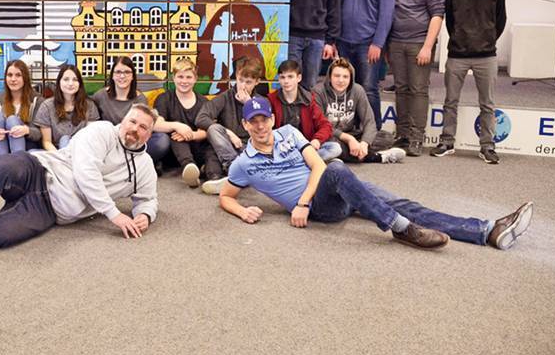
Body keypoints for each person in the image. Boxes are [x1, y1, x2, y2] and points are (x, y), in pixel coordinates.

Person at [216, 96, 534, 251]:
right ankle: (400, 229)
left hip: (325, 190)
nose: (260, 126)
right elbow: (225, 195)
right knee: (338, 169)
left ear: (272, 119)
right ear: (244, 125)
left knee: (404, 204)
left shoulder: (289, 132)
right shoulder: (245, 163)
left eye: (264, 119)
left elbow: (317, 165)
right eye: (253, 121)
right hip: (320, 208)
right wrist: (243, 211)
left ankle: (487, 230)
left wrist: (300, 201)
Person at [0, 105, 160, 260]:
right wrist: (114, 214)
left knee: (0, 236)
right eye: (132, 121)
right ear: (123, 121)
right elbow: (86, 173)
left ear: (150, 134)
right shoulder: (101, 130)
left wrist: (145, 215)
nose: (135, 129)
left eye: (143, 127)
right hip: (39, 168)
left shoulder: (145, 166)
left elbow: (148, 199)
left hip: (51, 209)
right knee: (0, 169)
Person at [433, 0, 507, 164]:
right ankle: (447, 142)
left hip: (486, 55)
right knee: (450, 101)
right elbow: (450, 22)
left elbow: (500, 21)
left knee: (487, 104)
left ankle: (487, 146)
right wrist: (459, 39)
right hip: (458, 54)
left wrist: (487, 39)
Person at [388, 0, 445, 157]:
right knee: (401, 89)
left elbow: (437, 14)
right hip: (396, 42)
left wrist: (427, 46)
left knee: (418, 90)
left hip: (420, 43)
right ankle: (402, 134)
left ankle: (416, 137)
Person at [335, 0, 394, 130]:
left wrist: (378, 43)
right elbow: (335, 10)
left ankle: (373, 130)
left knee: (368, 88)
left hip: (368, 43)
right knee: (346, 87)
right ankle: (351, 129)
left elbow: (386, 13)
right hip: (344, 42)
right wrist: (333, 40)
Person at [313, 58, 406, 164]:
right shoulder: (318, 91)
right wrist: (349, 139)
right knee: (334, 145)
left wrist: (364, 143)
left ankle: (339, 156)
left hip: (351, 133)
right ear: (329, 77)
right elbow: (319, 125)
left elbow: (369, 121)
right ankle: (378, 157)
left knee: (386, 137)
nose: (341, 80)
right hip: (328, 134)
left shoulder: (357, 90)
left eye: (345, 77)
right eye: (337, 76)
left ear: (351, 78)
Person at [195, 56, 263, 194]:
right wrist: (228, 133)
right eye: (240, 80)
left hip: (249, 147)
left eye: (248, 82)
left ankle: (226, 174)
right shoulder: (225, 97)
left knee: (214, 157)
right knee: (213, 130)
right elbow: (201, 118)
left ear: (257, 82)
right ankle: (231, 169)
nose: (243, 86)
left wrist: (248, 104)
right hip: (226, 146)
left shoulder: (261, 102)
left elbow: (262, 129)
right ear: (236, 77)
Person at [153, 58, 223, 188]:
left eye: (188, 77)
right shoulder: (164, 98)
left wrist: (190, 135)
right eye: (180, 77)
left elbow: (208, 130)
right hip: (175, 152)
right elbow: (156, 124)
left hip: (197, 147)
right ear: (174, 78)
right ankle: (190, 168)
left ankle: (214, 177)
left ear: (195, 79)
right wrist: (178, 126)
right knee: (175, 135)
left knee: (211, 146)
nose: (184, 81)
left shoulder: (204, 102)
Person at [92, 57, 170, 168]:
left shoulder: (140, 98)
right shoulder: (100, 96)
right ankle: (138, 164)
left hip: (132, 141)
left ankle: (124, 165)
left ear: (133, 76)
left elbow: (145, 127)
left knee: (162, 140)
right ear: (112, 75)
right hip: (110, 144)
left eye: (127, 72)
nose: (122, 76)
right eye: (118, 72)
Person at [268, 60, 341, 162]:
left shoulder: (308, 99)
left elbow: (325, 125)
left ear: (299, 78)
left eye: (290, 77)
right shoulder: (271, 99)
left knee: (335, 148)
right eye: (282, 77)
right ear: (279, 79)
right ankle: (308, 162)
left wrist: (316, 140)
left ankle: (298, 163)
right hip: (281, 148)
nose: (286, 81)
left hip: (305, 147)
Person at [0, 59, 44, 157]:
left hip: (26, 145)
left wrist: (26, 130)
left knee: (12, 120)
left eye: (18, 75)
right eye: (9, 75)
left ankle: (15, 161)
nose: (13, 79)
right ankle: (6, 160)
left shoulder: (37, 100)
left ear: (25, 78)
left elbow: (40, 134)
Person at [34, 64, 99, 151]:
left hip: (82, 151)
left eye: (75, 80)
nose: (70, 83)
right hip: (55, 152)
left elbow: (90, 138)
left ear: (80, 84)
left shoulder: (89, 105)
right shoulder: (47, 106)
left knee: (66, 139)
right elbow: (47, 142)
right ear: (59, 82)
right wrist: (60, 156)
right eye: (66, 79)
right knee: (32, 152)